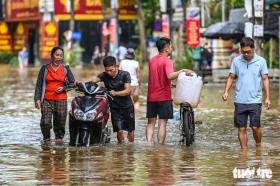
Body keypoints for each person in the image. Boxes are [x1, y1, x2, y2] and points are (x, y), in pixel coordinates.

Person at [222, 37, 270, 149]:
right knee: (241, 128)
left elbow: (265, 79)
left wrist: (267, 97)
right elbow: (231, 77)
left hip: (255, 100)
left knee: (255, 127)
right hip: (240, 100)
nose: (246, 54)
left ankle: (258, 145)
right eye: (243, 52)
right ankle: (244, 153)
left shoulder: (261, 61)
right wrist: (226, 92)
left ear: (253, 48)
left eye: (248, 52)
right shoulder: (236, 61)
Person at [146, 37, 193, 144]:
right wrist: (182, 71)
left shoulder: (152, 60)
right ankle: (160, 147)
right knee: (162, 123)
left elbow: (156, 77)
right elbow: (170, 76)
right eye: (171, 46)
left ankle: (148, 144)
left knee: (151, 122)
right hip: (163, 97)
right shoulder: (167, 61)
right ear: (166, 49)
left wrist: (170, 85)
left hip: (151, 97)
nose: (172, 48)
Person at [34, 46, 76, 143]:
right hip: (46, 99)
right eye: (57, 55)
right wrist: (37, 99)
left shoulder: (66, 69)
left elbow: (72, 83)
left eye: (61, 55)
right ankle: (46, 141)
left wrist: (64, 88)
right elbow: (39, 85)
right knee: (45, 122)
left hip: (61, 100)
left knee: (60, 125)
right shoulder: (44, 69)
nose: (59, 57)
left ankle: (59, 144)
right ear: (52, 56)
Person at [96, 56, 135, 143]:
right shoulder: (104, 75)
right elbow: (93, 81)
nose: (109, 73)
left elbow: (128, 90)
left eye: (111, 70)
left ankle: (130, 150)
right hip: (115, 108)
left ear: (116, 66)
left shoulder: (125, 74)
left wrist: (116, 93)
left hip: (127, 107)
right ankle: (120, 151)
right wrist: (81, 83)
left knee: (130, 131)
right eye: (107, 70)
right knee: (119, 130)